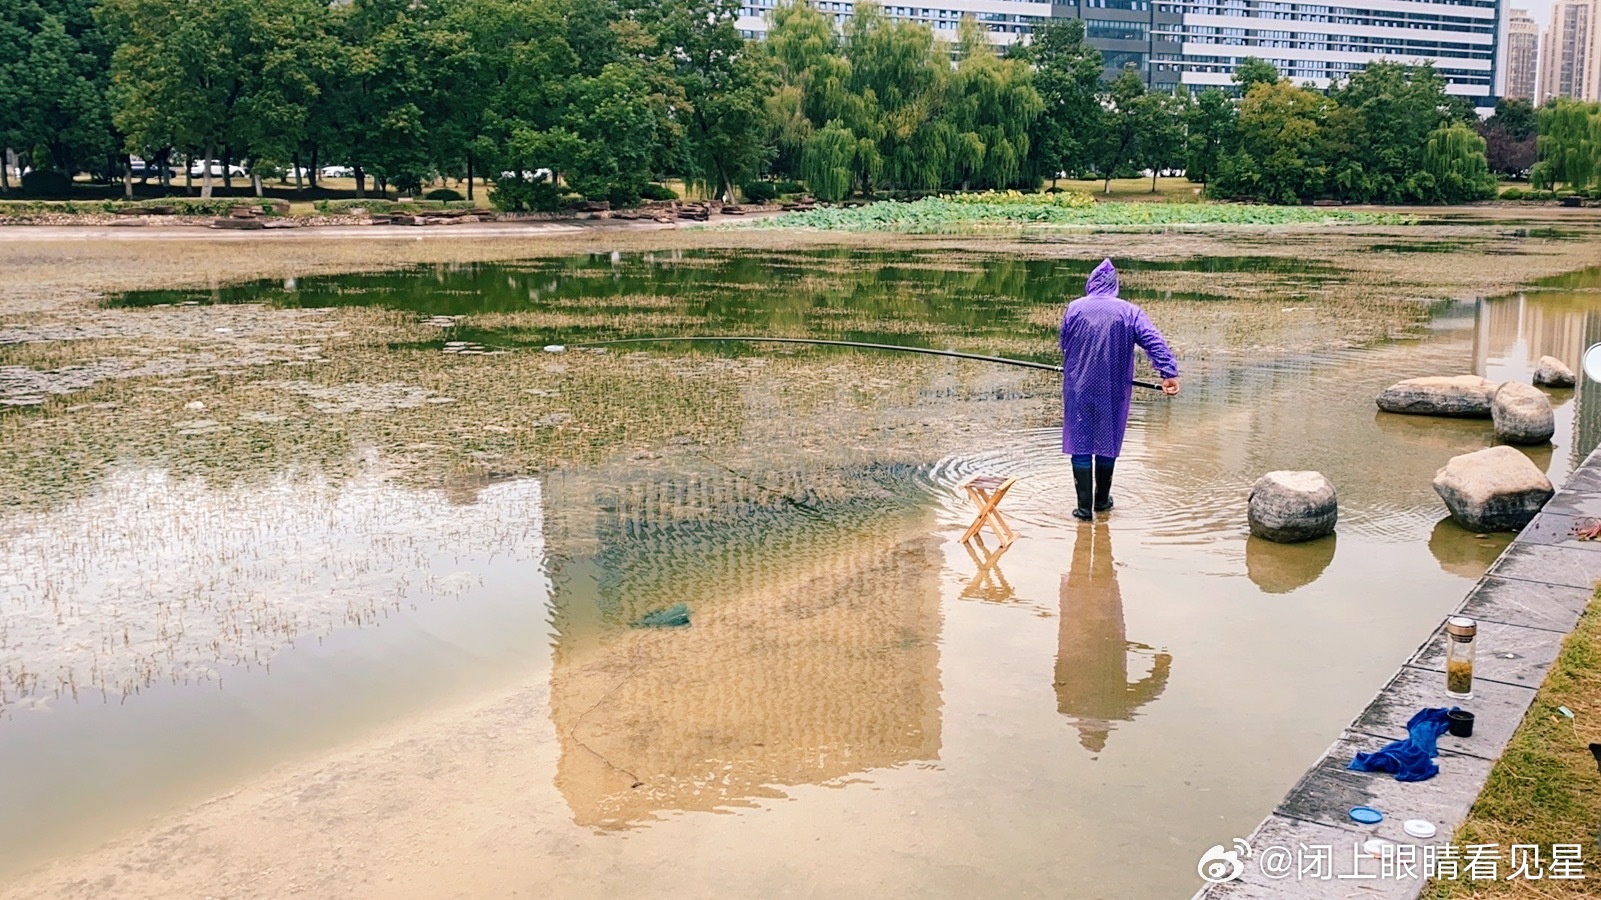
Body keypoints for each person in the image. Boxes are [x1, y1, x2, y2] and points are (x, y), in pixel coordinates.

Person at [1060, 259, 1180, 520]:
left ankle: (1083, 509)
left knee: (1080, 441)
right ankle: (1102, 502)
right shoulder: (1130, 312)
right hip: (1112, 388)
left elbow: (1065, 343)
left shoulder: (1074, 308)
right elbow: (1154, 341)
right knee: (1106, 439)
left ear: (1090, 283)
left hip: (1078, 386)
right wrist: (1168, 373)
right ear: (1115, 285)